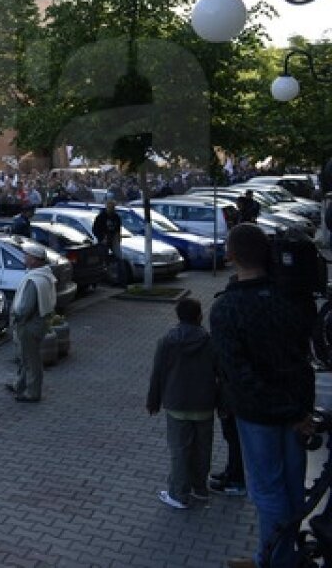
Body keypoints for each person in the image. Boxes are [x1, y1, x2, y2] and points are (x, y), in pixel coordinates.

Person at [210, 223, 315, 568]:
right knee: (292, 487)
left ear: (231, 256)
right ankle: (273, 554)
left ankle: (275, 561)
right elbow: (304, 357)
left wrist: (273, 407)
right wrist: (300, 409)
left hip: (259, 416)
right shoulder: (291, 298)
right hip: (296, 410)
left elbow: (237, 374)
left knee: (268, 491)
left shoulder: (227, 308)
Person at [146, 297, 217, 510]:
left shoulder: (167, 341)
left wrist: (153, 401)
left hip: (177, 404)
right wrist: (223, 404)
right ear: (199, 316)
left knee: (180, 450)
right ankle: (200, 488)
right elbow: (220, 373)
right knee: (203, 448)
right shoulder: (210, 341)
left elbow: (157, 373)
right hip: (205, 404)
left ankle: (179, 493)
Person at [5, 242, 55, 403]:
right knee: (26, 358)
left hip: (29, 326)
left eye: (27, 255)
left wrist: (16, 319)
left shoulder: (34, 280)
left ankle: (32, 393)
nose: (24, 258)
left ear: (34, 259)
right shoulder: (45, 275)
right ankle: (20, 384)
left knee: (30, 360)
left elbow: (25, 308)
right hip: (40, 323)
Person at [92, 199, 124, 285]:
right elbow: (95, 230)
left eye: (113, 207)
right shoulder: (101, 217)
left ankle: (120, 280)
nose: (111, 209)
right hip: (103, 239)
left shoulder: (116, 217)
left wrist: (118, 238)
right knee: (103, 259)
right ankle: (104, 279)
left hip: (113, 238)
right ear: (107, 207)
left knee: (119, 258)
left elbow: (118, 229)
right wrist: (102, 238)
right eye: (110, 207)